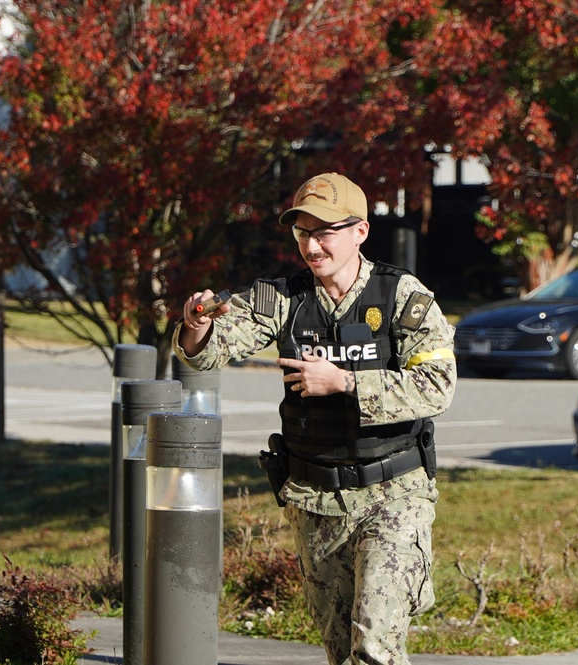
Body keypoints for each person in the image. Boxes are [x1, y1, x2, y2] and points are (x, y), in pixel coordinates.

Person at [174, 172, 457, 665]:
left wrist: (345, 381)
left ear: (360, 232)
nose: (312, 244)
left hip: (394, 497)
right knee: (340, 650)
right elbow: (209, 352)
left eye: (324, 231)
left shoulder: (403, 297)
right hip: (316, 500)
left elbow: (438, 387)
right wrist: (196, 327)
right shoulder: (282, 297)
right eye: (302, 232)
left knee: (374, 646)